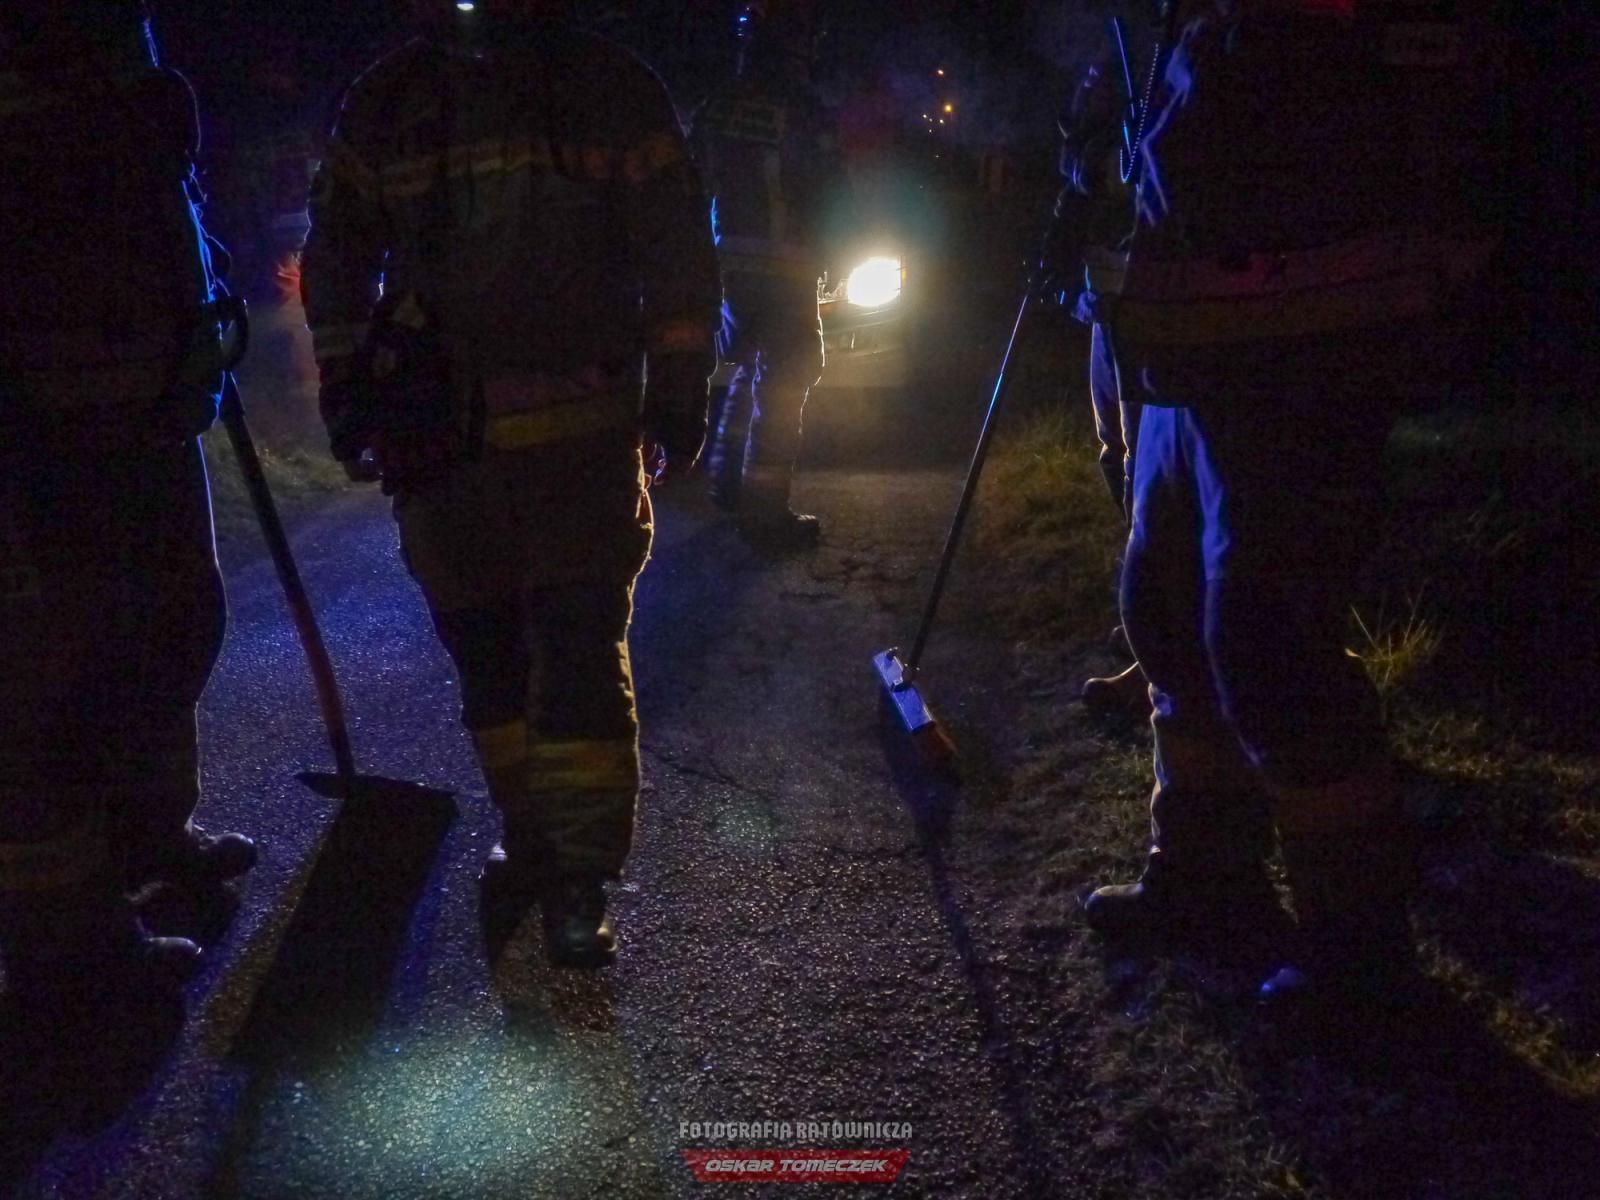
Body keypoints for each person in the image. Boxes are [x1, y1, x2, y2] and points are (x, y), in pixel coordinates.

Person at [1077, 0, 1505, 1007]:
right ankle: (1203, 876)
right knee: (1167, 613)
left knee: (1269, 643)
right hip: (1199, 358)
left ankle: (1360, 952)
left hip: (1305, 365)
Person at [300, 0, 722, 967]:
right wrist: (350, 385)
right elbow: (336, 251)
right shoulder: (399, 98)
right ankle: (538, 847)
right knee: (491, 654)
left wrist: (683, 382)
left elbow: (675, 252)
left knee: (565, 653)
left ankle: (575, 877)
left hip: (545, 439)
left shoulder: (593, 86)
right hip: (456, 445)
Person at [0, 0, 257, 1004]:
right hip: (38, 418)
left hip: (141, 392)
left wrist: (195, 271)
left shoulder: (112, 33)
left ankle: (151, 835)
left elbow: (147, 189)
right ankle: (68, 936)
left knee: (169, 625)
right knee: (49, 681)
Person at [690, 0, 838, 549]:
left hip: (726, 268)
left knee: (738, 370)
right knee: (785, 384)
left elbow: (689, 186)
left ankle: (726, 483)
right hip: (788, 270)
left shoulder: (716, 106)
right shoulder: (801, 109)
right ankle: (766, 515)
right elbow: (824, 194)